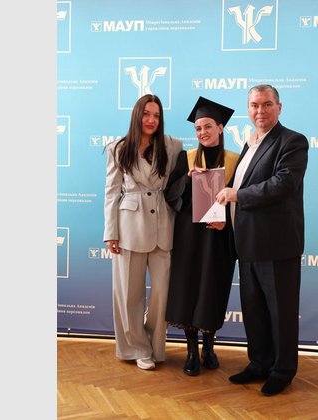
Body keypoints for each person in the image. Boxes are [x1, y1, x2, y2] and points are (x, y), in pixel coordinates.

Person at [215, 85, 309, 396]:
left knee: (281, 313)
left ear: (279, 107)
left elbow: (283, 184)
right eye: (254, 105)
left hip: (277, 245)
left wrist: (237, 195)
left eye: (267, 104)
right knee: (254, 311)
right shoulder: (250, 142)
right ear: (248, 109)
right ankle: (259, 363)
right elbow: (238, 182)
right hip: (248, 243)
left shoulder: (292, 141)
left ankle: (282, 371)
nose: (260, 111)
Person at [103, 94, 183, 370]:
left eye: (157, 115)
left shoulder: (172, 146)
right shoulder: (118, 148)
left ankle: (155, 347)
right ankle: (137, 348)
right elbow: (111, 192)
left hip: (163, 225)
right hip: (129, 227)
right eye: (147, 114)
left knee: (162, 294)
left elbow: (179, 183)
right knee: (129, 293)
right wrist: (111, 232)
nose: (151, 120)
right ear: (137, 115)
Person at [164, 96, 239, 376]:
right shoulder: (185, 158)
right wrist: (187, 178)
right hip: (189, 236)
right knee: (189, 288)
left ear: (220, 127)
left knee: (212, 288)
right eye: (198, 128)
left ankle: (209, 347)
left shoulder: (235, 160)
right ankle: (192, 352)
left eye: (208, 126)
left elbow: (241, 199)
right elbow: (170, 194)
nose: (203, 132)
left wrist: (226, 221)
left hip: (218, 236)